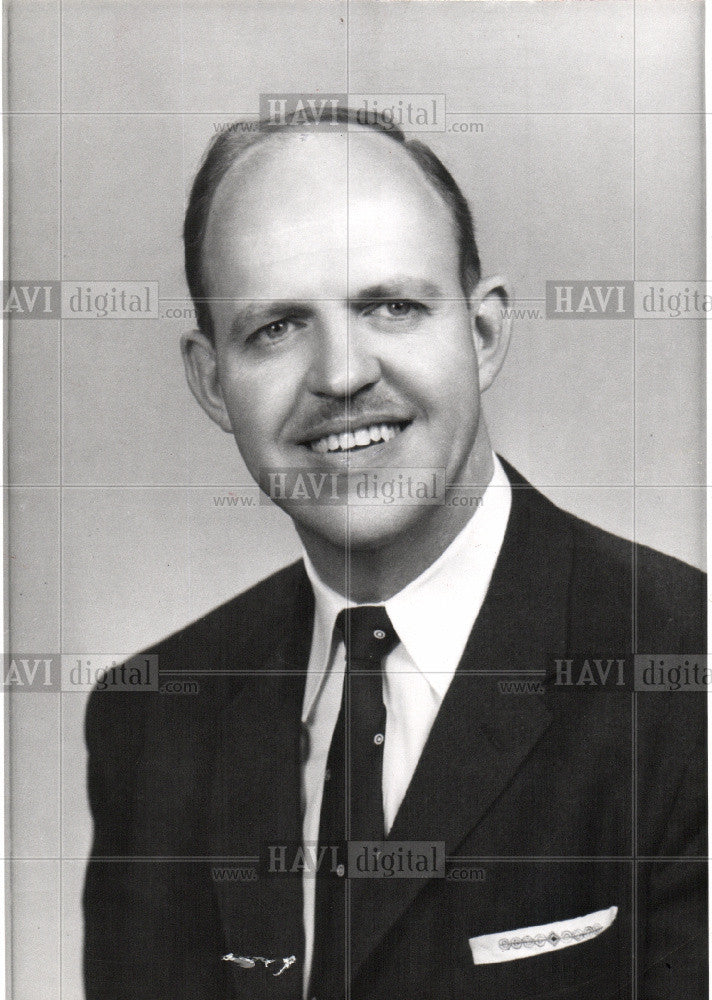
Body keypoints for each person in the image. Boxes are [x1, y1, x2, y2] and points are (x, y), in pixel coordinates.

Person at [83, 109, 706, 1000]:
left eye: (392, 306)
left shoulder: (688, 676)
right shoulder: (150, 724)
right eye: (276, 327)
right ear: (213, 381)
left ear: (484, 334)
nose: (341, 374)